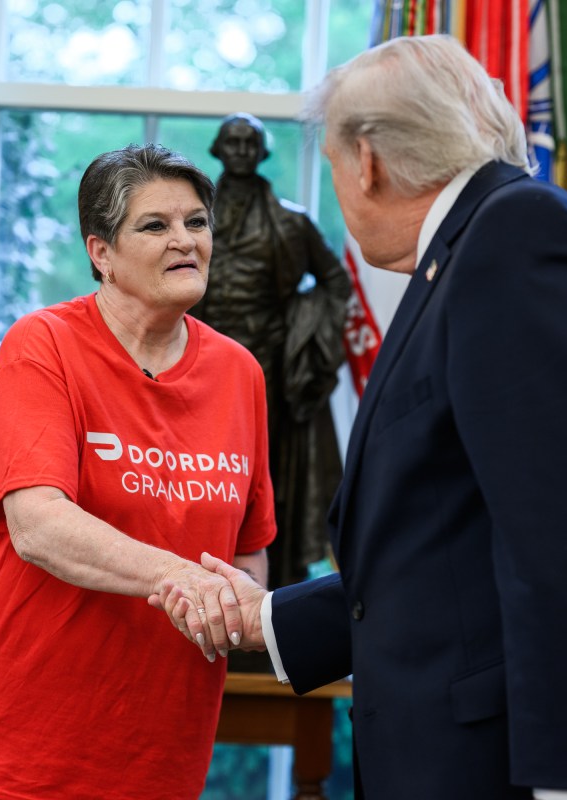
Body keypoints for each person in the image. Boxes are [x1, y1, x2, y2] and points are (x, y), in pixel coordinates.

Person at [156, 34, 567, 799]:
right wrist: (273, 621)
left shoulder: (518, 242)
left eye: (330, 167)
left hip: (541, 768)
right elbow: (466, 542)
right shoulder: (486, 244)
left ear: (368, 162)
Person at [0, 143, 275, 800]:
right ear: (101, 253)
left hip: (161, 748)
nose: (185, 241)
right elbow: (37, 525)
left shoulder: (240, 373)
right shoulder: (45, 345)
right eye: (155, 225)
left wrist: (234, 608)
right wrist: (178, 577)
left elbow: (248, 550)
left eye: (196, 222)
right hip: (26, 743)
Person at [192, 112, 351, 591]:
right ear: (217, 151)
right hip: (194, 366)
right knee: (190, 478)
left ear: (263, 153)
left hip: (268, 370)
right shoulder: (186, 221)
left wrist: (305, 335)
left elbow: (336, 283)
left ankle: (265, 596)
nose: (240, 151)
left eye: (250, 143)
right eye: (232, 143)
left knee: (263, 483)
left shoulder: (292, 223)